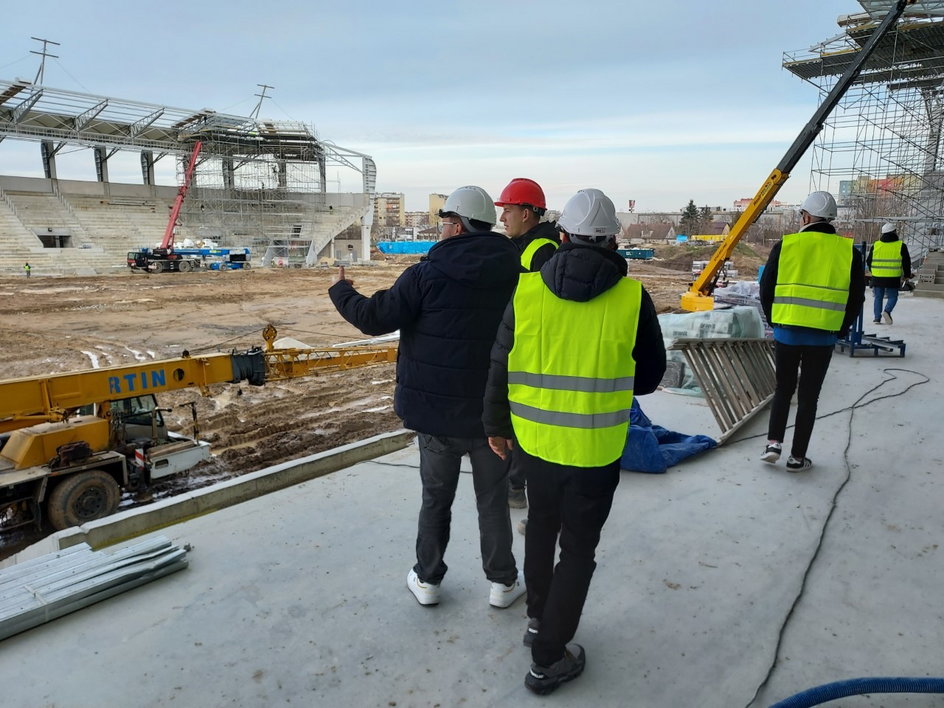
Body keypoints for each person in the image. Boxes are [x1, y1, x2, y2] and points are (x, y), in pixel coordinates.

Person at [483, 188, 666, 695]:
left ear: (561, 237)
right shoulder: (632, 297)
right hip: (596, 449)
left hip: (536, 444)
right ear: (613, 240)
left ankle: (539, 620)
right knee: (578, 548)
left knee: (541, 527)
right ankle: (548, 657)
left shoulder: (527, 291)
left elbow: (499, 365)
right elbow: (650, 376)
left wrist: (495, 426)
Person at [329, 185, 526, 610]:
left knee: (436, 499)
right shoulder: (516, 274)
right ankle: (503, 583)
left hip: (436, 417)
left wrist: (341, 291)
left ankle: (428, 580)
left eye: (443, 223)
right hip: (493, 417)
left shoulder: (426, 274)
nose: (440, 231)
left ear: (456, 225)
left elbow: (374, 318)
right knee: (493, 502)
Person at [759, 191, 865, 471]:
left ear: (806, 216)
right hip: (823, 336)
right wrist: (840, 330)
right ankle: (797, 457)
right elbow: (856, 298)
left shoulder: (787, 245)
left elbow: (766, 286)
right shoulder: (848, 252)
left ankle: (773, 444)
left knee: (783, 389)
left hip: (787, 333)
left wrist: (774, 320)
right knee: (809, 396)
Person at [494, 178, 561, 510]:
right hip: (523, 342)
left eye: (507, 211)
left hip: (529, 347)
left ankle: (516, 485)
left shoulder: (540, 250)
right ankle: (515, 481)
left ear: (527, 213)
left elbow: (537, 307)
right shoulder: (529, 245)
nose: (503, 218)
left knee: (524, 417)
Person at [867, 222, 912, 325]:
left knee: (878, 297)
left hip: (877, 276)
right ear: (894, 232)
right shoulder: (901, 245)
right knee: (893, 297)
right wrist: (907, 275)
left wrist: (873, 271)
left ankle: (877, 318)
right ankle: (887, 311)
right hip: (893, 276)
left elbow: (869, 261)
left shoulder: (876, 245)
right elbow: (906, 262)